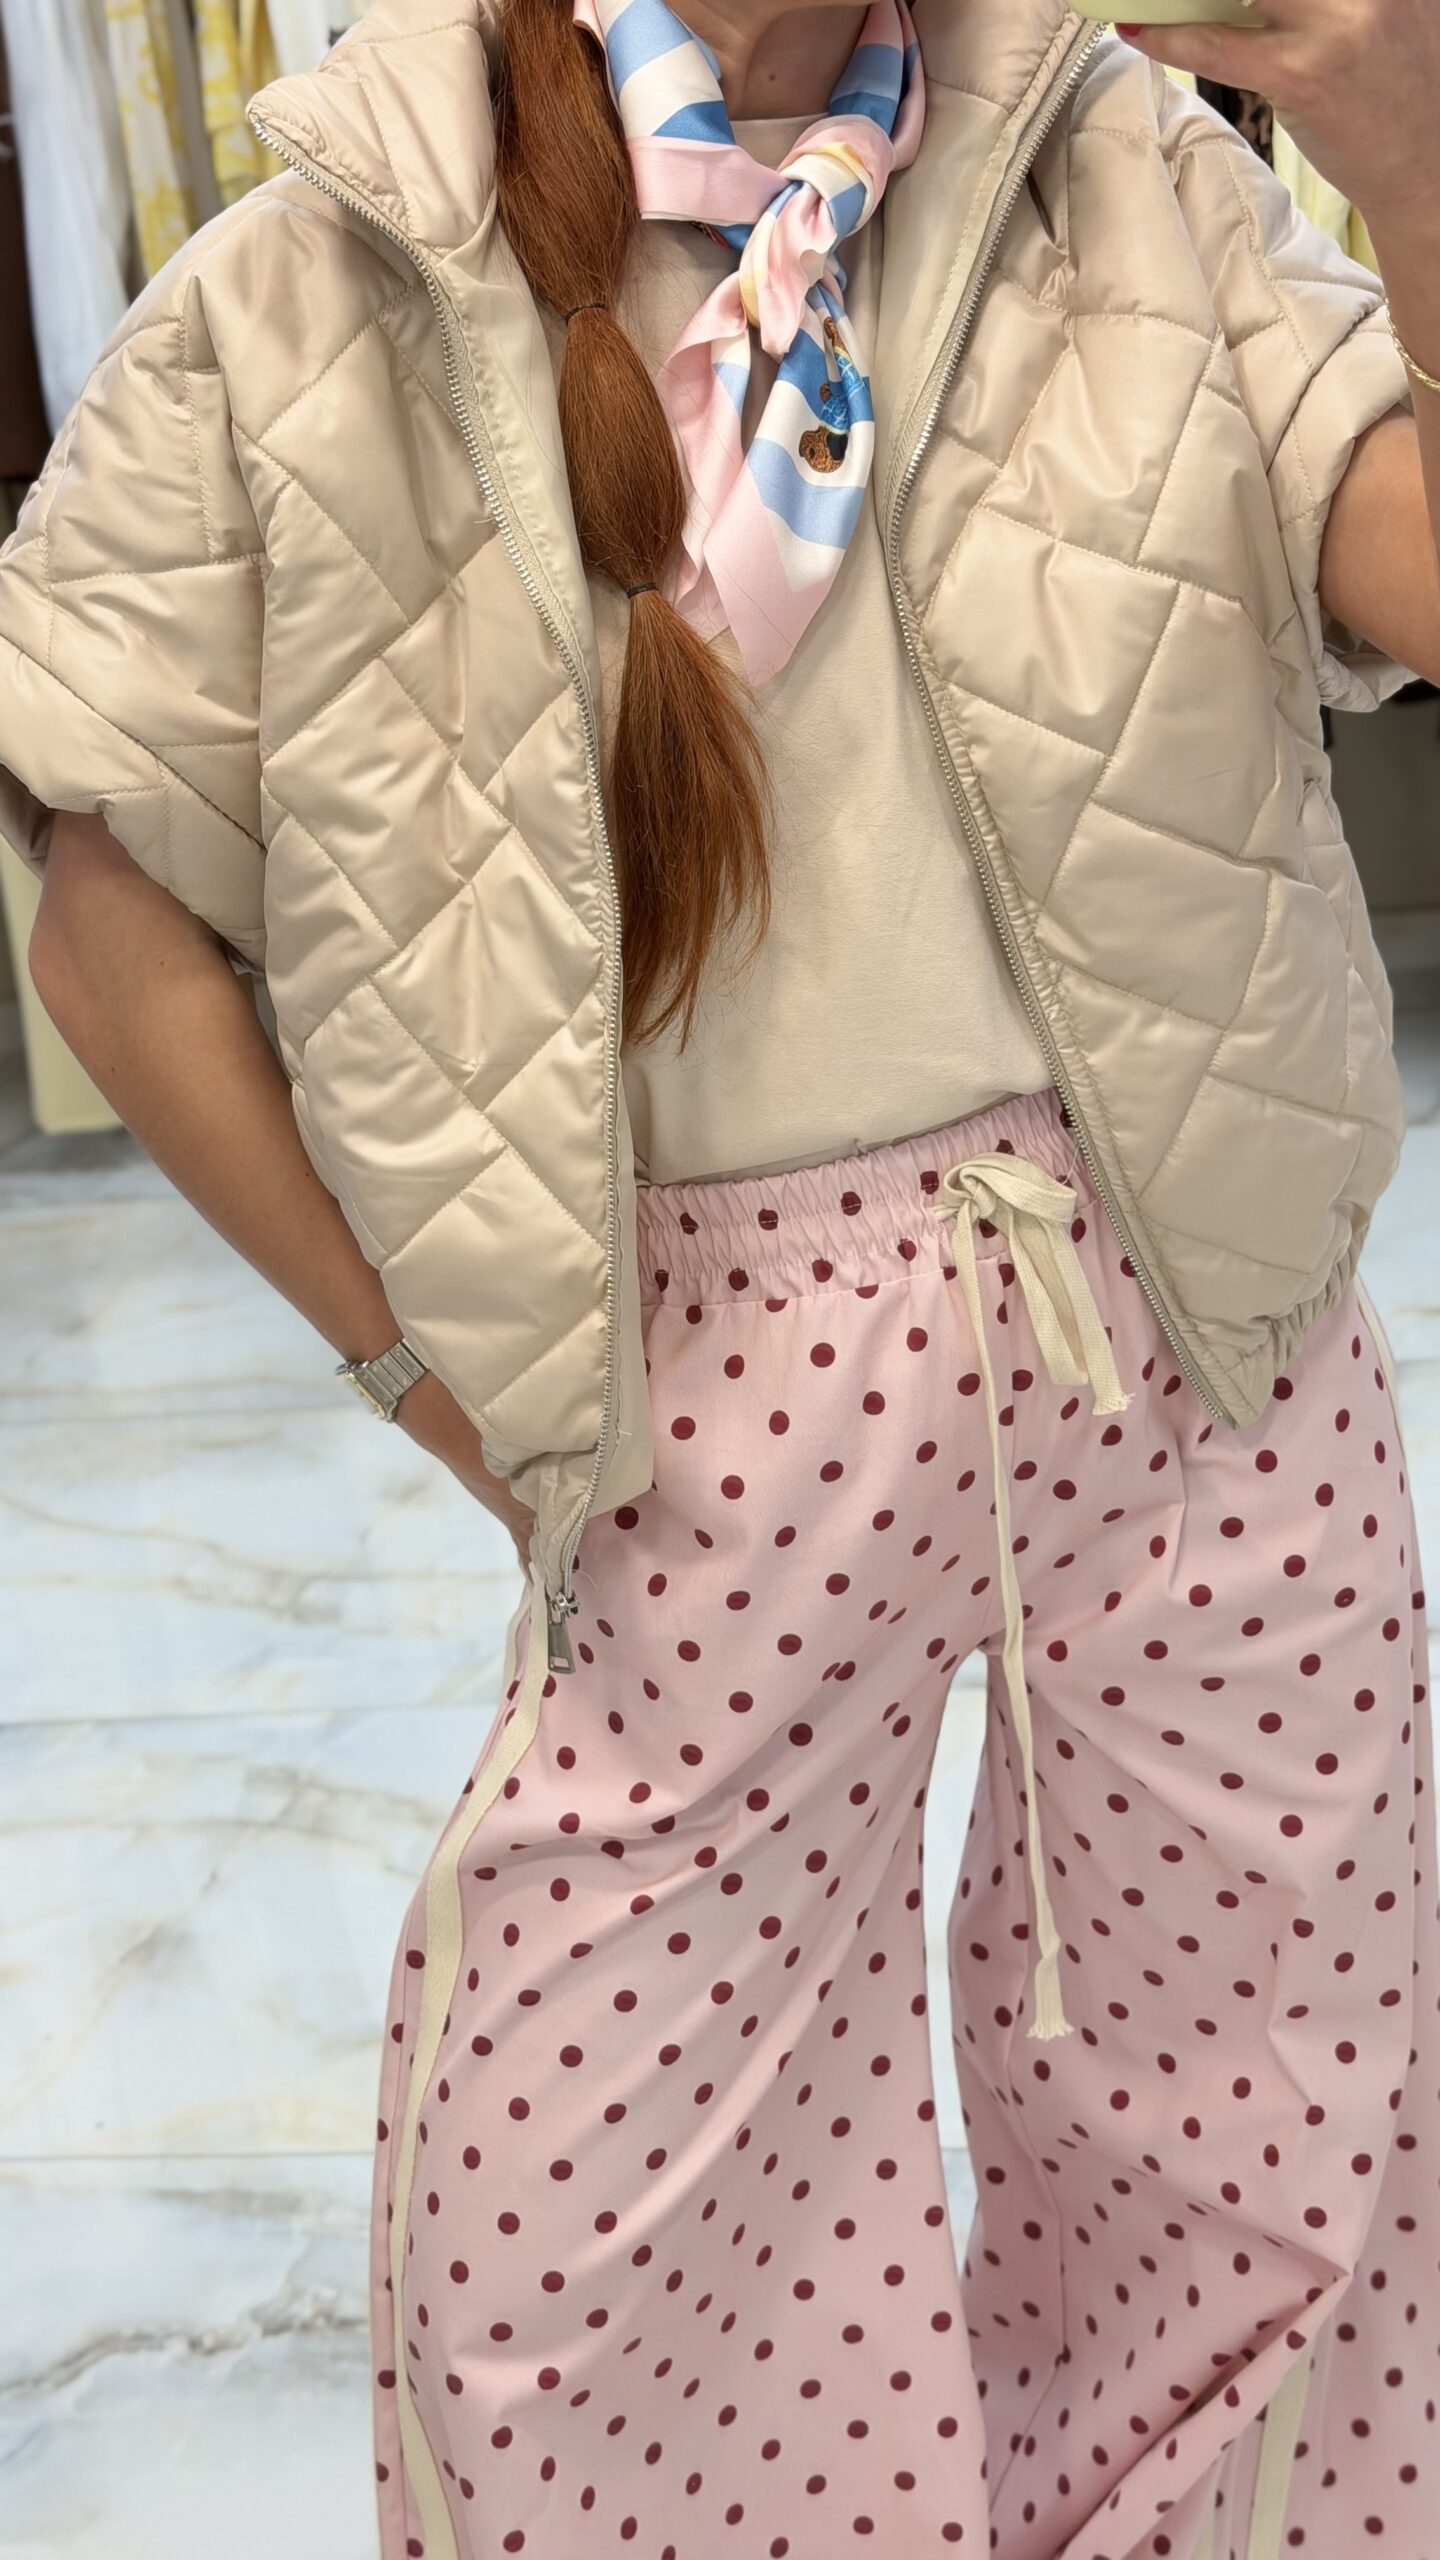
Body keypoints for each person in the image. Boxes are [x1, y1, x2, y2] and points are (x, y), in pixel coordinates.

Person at [2, 0, 1440, 2548]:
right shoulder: (328, 265)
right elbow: (114, 937)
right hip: (714, 1391)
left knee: (1280, 2131)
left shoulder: (1121, 159)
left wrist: (1410, 138)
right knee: (590, 2210)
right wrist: (415, 1363)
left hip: (1199, 1304)